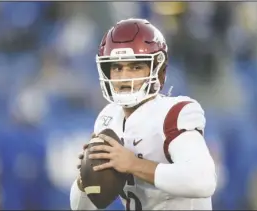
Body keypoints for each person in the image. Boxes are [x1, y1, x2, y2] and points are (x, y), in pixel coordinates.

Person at [70, 18, 217, 210]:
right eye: (117, 67)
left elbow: (203, 181)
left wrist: (133, 164)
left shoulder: (173, 113)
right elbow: (81, 207)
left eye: (136, 67)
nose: (124, 77)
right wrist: (86, 179)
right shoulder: (108, 118)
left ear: (158, 70)